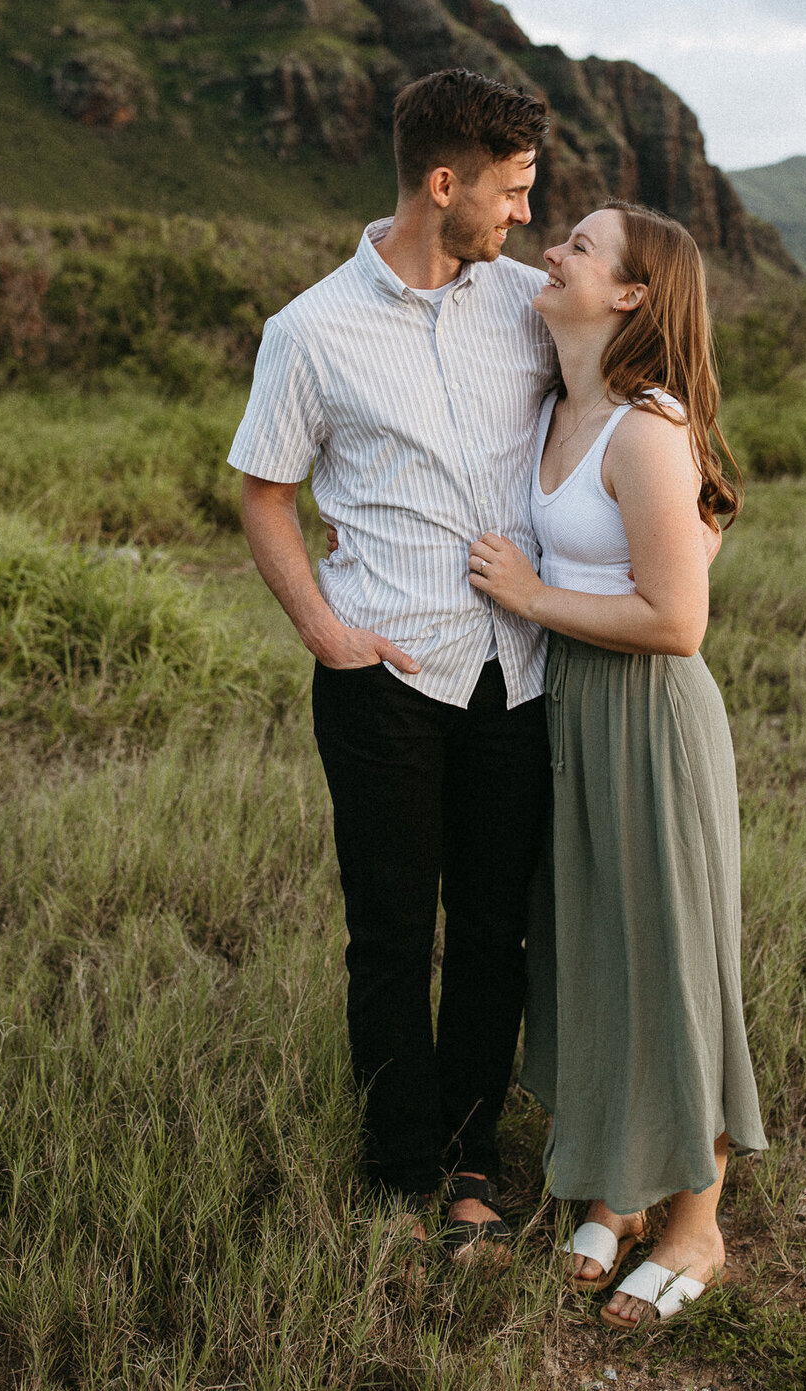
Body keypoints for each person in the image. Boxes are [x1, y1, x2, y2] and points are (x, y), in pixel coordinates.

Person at [227, 68, 556, 1251]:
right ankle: (396, 1167)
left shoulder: (531, 304)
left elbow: (642, 385)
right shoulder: (309, 329)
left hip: (516, 672)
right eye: (512, 192)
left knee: (491, 933)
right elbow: (266, 494)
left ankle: (473, 1161)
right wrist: (324, 629)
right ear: (443, 183)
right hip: (384, 678)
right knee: (389, 931)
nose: (524, 215)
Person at [466, 201, 767, 1328]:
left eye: (581, 246)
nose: (555, 251)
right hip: (572, 712)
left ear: (632, 294)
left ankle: (698, 1219)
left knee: (671, 955)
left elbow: (679, 620)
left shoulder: (646, 427)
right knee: (591, 943)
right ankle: (614, 1188)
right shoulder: (559, 408)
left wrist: (532, 595)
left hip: (649, 718)